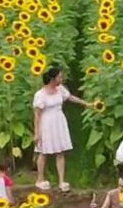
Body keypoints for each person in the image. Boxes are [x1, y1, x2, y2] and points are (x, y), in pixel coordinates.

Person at [33, 65, 91, 193]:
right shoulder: (40, 94)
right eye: (59, 77)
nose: (61, 79)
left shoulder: (60, 90)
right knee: (43, 152)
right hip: (46, 123)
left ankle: (61, 181)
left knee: (60, 152)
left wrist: (85, 103)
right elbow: (37, 115)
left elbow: (70, 97)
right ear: (52, 79)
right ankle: (40, 179)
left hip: (59, 121)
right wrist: (37, 133)